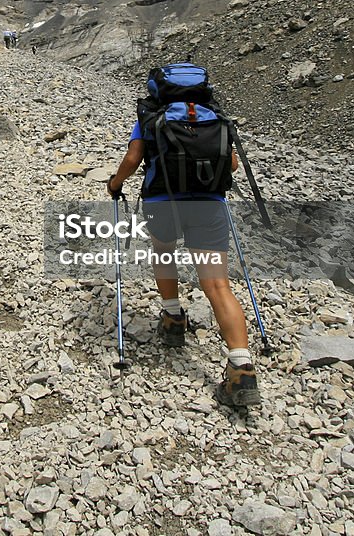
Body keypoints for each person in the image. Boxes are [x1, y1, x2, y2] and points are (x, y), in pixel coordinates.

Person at [105, 81, 261, 407]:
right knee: (218, 284)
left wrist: (115, 184)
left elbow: (134, 157)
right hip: (209, 203)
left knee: (163, 252)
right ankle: (241, 367)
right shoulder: (213, 115)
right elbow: (231, 164)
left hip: (163, 200)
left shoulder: (153, 114)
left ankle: (173, 318)